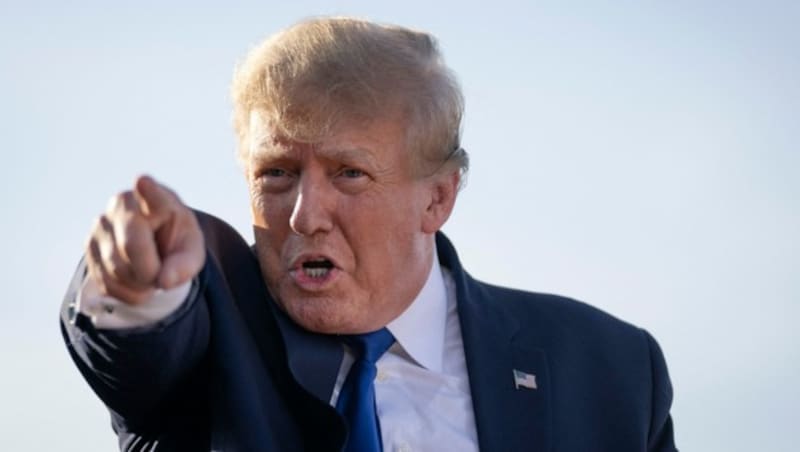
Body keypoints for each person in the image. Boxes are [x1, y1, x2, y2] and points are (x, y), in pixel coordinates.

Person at [60, 17, 677, 451]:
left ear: (437, 198)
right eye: (276, 173)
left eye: (349, 173)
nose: (304, 215)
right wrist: (136, 286)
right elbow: (135, 348)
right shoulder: (212, 331)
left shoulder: (610, 369)